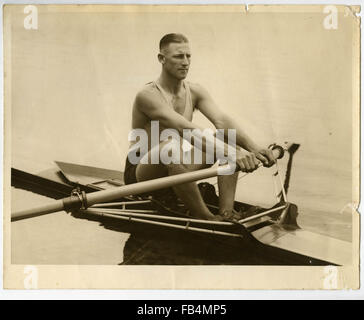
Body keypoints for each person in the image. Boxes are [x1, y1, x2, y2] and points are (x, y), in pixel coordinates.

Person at [124, 33, 275, 221]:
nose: (185, 62)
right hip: (142, 173)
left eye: (188, 56)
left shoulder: (195, 90)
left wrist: (254, 148)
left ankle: (227, 213)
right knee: (171, 149)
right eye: (178, 56)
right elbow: (185, 129)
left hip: (176, 166)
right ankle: (205, 217)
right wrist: (232, 154)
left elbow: (222, 121)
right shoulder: (147, 95)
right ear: (161, 59)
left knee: (227, 138)